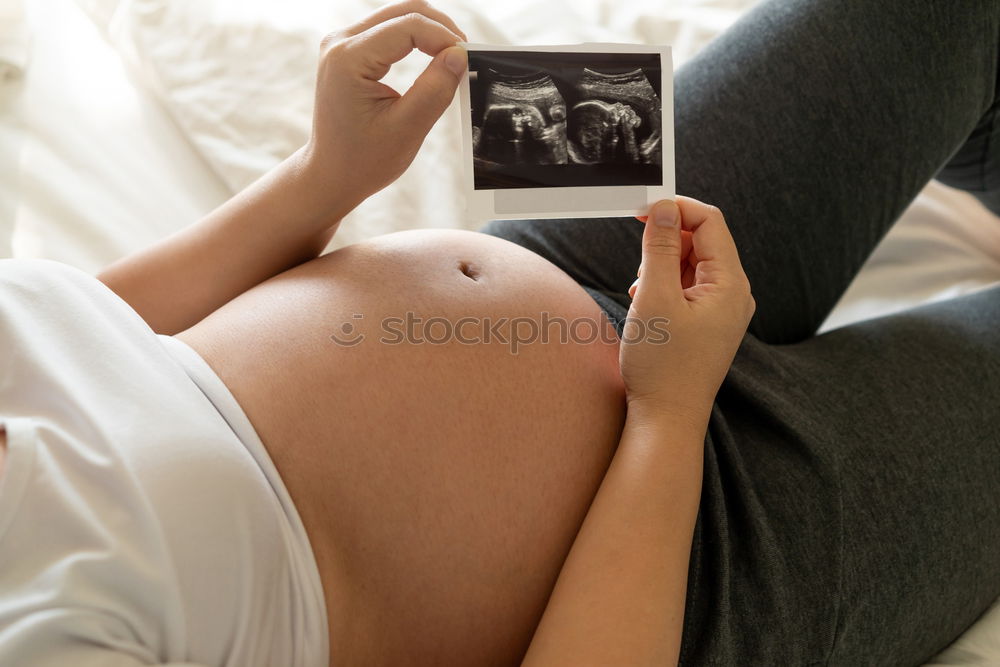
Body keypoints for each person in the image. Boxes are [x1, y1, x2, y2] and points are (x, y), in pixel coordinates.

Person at [0, 0, 998, 665]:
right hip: (701, 547)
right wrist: (667, 414)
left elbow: (97, 327)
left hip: (578, 248)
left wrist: (324, 177)